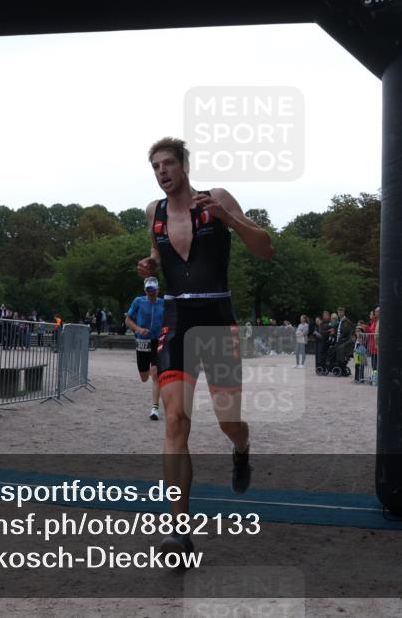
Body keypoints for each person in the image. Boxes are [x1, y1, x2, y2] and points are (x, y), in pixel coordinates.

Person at [137, 136, 273, 560]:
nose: (162, 173)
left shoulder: (216, 198)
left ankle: (241, 448)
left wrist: (229, 219)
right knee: (175, 421)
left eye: (167, 164)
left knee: (228, 422)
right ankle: (178, 530)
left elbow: (265, 248)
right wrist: (150, 267)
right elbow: (158, 258)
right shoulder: (153, 213)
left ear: (184, 165)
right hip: (177, 322)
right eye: (155, 166)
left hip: (217, 322)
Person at [126, 277, 166, 421]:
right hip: (142, 341)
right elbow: (128, 320)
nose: (151, 292)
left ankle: (154, 408)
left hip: (158, 341)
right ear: (145, 290)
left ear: (157, 289)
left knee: (155, 375)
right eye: (148, 289)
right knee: (144, 377)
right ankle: (150, 369)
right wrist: (137, 329)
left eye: (153, 289)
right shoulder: (138, 301)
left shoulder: (164, 303)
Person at [366, 307, 379, 385]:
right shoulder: (373, 322)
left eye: (373, 313)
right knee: (373, 364)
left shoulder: (378, 321)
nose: (372, 315)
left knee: (375, 364)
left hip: (376, 346)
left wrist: (366, 328)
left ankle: (375, 379)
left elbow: (373, 332)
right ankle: (374, 378)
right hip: (373, 346)